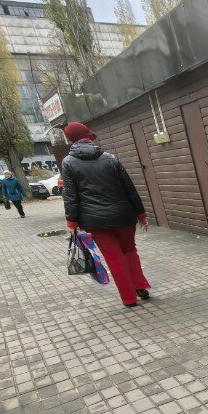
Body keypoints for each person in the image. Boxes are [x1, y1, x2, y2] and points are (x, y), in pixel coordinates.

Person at [61, 121, 152, 308]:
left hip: (95, 220)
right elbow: (129, 188)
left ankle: (129, 298)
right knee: (129, 251)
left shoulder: (68, 162)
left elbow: (71, 196)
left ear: (71, 139)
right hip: (123, 216)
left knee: (113, 257)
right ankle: (140, 287)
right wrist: (140, 214)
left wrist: (72, 222)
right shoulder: (110, 158)